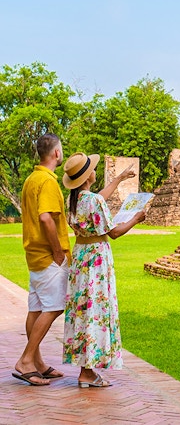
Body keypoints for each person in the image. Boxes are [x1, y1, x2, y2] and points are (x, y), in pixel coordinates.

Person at [62, 152, 146, 388]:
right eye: (93, 168)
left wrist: (118, 179)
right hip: (96, 260)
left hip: (81, 258)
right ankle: (87, 372)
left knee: (83, 310)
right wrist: (136, 218)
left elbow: (98, 198)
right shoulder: (93, 202)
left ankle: (85, 368)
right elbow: (115, 232)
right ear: (88, 175)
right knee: (95, 311)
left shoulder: (75, 199)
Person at [13, 133, 71, 386]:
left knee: (36, 309)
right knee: (55, 307)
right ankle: (26, 360)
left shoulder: (31, 179)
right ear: (56, 154)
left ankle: (37, 362)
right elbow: (47, 218)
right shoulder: (47, 182)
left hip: (34, 255)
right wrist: (58, 252)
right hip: (49, 256)